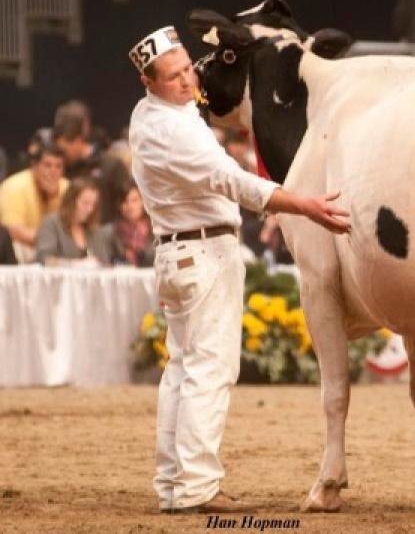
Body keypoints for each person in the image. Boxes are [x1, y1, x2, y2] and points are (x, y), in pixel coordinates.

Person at [127, 26, 351, 514]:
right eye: (173, 76)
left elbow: (197, 107)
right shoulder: (174, 131)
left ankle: (173, 483)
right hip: (203, 252)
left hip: (180, 253)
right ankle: (196, 487)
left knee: (182, 370)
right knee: (209, 370)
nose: (188, 80)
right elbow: (232, 181)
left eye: (187, 68)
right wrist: (305, 205)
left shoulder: (149, 115)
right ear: (149, 82)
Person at [0, 142, 69, 263]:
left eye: (58, 167)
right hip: (23, 246)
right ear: (35, 167)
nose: (53, 171)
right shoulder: (14, 187)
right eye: (47, 165)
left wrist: (53, 198)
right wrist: (50, 239)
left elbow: (73, 228)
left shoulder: (67, 188)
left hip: (56, 246)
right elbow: (12, 230)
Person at [35, 177, 109, 266]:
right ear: (71, 201)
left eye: (93, 204)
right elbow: (44, 259)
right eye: (85, 203)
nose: (90, 209)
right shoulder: (52, 223)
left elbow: (104, 262)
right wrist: (74, 264)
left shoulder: (94, 230)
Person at [100, 181, 154, 267]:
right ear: (118, 205)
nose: (130, 206)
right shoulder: (108, 233)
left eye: (134, 200)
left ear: (143, 202)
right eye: (125, 201)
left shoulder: (156, 230)